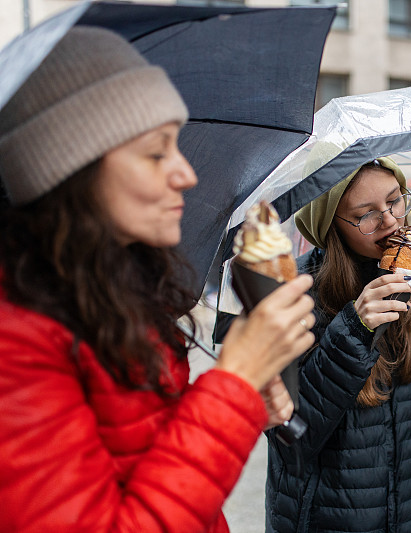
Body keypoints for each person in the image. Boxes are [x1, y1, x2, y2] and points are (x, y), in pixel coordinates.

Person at [0, 27, 315, 532]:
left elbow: (140, 450)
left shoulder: (119, 288)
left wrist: (245, 398)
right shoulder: (15, 341)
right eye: (155, 152)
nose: (187, 174)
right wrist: (233, 382)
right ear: (73, 170)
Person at [265, 157, 411, 533]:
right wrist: (354, 327)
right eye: (365, 214)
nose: (390, 221)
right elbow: (291, 441)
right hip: (321, 520)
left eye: (395, 200)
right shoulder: (292, 297)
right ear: (330, 226)